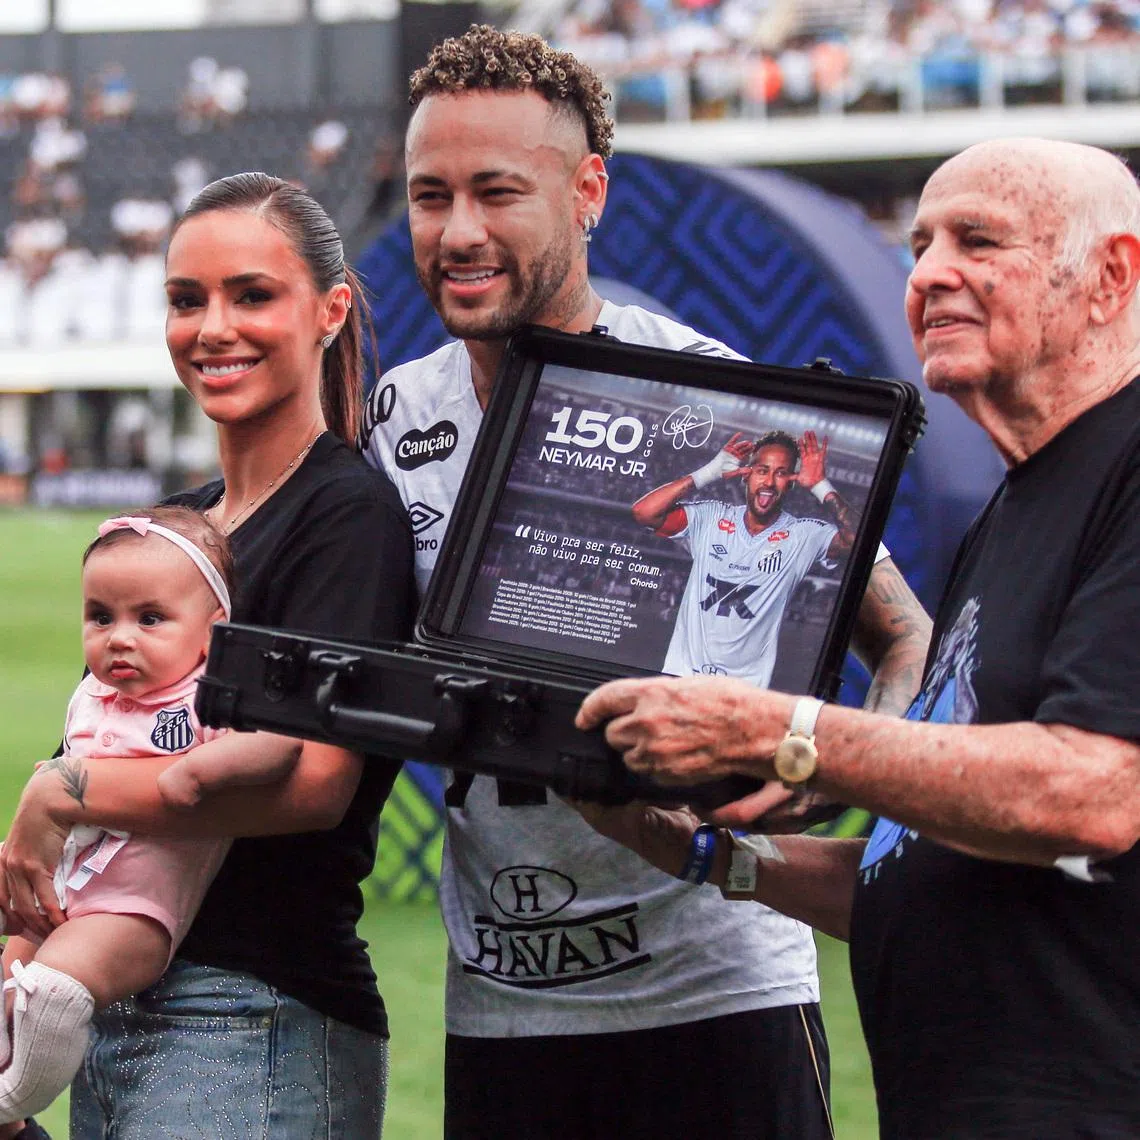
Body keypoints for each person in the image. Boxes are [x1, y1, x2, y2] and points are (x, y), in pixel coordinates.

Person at [358, 25, 930, 1139]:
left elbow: (902, 634)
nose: (457, 232)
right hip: (508, 1004)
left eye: (496, 192)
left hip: (721, 993)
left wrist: (837, 771)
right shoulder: (397, 414)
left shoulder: (711, 397)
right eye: (431, 196)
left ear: (588, 194)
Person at [574, 138, 1140, 1138]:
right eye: (919, 243)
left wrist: (782, 730)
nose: (928, 273)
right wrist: (706, 856)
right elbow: (919, 868)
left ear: (1111, 276)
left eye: (978, 239)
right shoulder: (1013, 513)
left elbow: (1093, 792)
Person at [0, 172, 415, 1140]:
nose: (212, 327)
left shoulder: (345, 512)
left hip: (254, 1016)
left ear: (329, 309)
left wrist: (63, 792)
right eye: (187, 300)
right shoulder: (179, 528)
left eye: (251, 294)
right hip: (119, 999)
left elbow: (313, 784)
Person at [0, 507, 300, 1124]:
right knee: (8, 988)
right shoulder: (97, 695)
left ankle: (12, 1103)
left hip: (132, 910)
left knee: (51, 989)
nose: (119, 637)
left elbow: (282, 745)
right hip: (68, 884)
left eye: (151, 618)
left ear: (215, 630)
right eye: (100, 617)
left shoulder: (211, 696)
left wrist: (203, 768)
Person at [632, 428, 857, 684]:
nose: (770, 482)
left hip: (744, 694)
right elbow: (644, 512)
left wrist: (820, 485)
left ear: (792, 481)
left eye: (781, 473)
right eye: (762, 470)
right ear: (745, 476)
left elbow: (859, 542)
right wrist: (706, 474)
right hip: (681, 678)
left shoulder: (804, 535)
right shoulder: (711, 517)